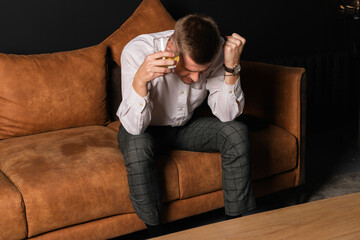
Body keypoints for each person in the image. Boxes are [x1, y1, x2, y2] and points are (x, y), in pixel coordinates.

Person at [116, 14, 256, 237]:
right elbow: (134, 127)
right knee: (137, 149)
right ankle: (155, 232)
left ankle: (238, 225)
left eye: (203, 71)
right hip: (143, 128)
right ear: (171, 48)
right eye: (189, 69)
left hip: (186, 127)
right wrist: (140, 81)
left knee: (236, 132)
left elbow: (227, 115)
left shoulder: (218, 51)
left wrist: (231, 67)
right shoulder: (137, 51)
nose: (195, 77)